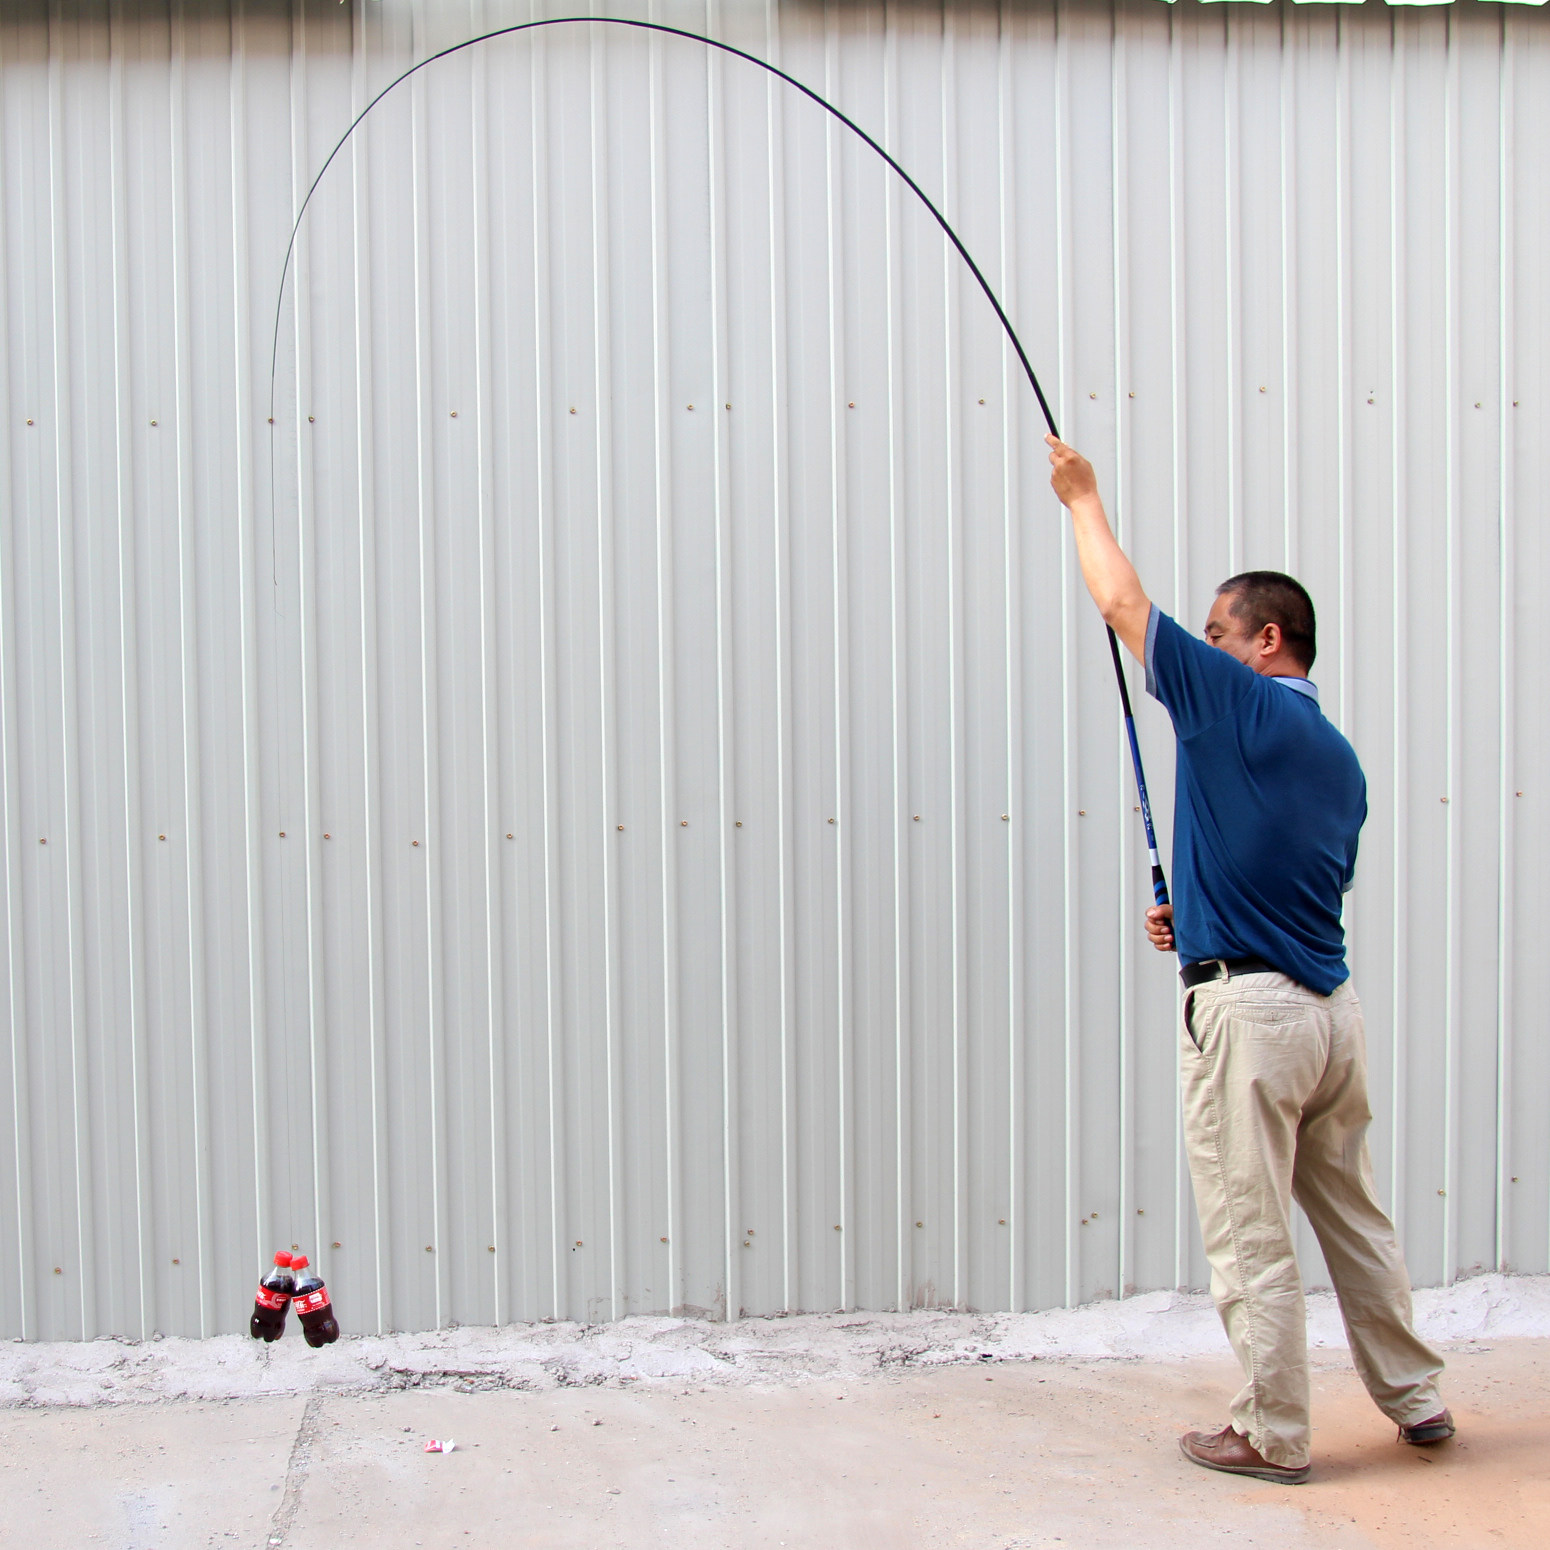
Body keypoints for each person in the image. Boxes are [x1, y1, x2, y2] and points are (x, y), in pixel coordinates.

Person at [1046, 433, 1452, 1484]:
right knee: (1352, 1217)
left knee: (1248, 1228)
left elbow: (1121, 604)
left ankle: (1271, 1432)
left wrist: (1082, 499)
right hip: (1328, 1016)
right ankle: (1414, 1398)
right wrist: (1202, 915)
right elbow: (1304, 875)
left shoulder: (1239, 700)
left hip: (1253, 1023)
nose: (1205, 647)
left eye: (1221, 632)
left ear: (1266, 640)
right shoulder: (1338, 757)